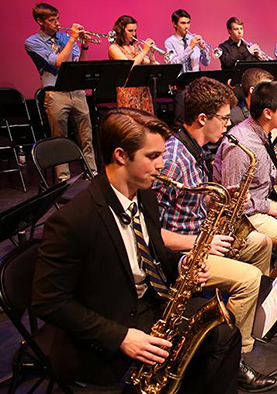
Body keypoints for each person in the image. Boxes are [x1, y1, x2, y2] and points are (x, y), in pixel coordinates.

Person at [34, 108, 240, 393]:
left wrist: (182, 266)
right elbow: (49, 302)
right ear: (121, 155)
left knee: (225, 334)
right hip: (106, 327)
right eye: (153, 156)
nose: (161, 165)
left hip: (149, 306)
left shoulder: (144, 193)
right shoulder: (73, 221)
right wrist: (121, 337)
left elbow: (152, 253)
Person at [154, 77, 277, 392]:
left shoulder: (193, 149)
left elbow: (188, 200)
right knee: (249, 278)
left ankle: (245, 323)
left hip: (199, 236)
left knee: (260, 243)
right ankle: (233, 357)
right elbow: (149, 228)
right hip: (180, 255)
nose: (228, 124)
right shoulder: (172, 158)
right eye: (224, 118)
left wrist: (218, 196)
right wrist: (202, 242)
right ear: (202, 119)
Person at [215, 81, 277, 278]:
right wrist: (267, 206)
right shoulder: (240, 144)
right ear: (268, 113)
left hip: (260, 206)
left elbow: (261, 179)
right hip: (247, 217)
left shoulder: (261, 133)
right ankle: (269, 292)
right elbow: (232, 201)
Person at [25, 3, 98, 181]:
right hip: (55, 93)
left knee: (86, 136)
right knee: (60, 139)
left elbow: (77, 65)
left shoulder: (65, 37)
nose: (57, 23)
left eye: (57, 19)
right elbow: (58, 62)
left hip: (77, 91)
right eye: (51, 20)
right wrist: (72, 40)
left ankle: (92, 173)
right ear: (40, 21)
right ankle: (63, 179)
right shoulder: (32, 42)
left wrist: (85, 47)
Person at [165, 9, 211, 129]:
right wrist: (190, 47)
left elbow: (206, 63)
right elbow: (174, 62)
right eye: (183, 23)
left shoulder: (193, 39)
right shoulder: (170, 42)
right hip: (181, 87)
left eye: (188, 23)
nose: (187, 26)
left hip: (197, 85)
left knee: (198, 118)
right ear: (174, 24)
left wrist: (203, 50)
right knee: (180, 121)